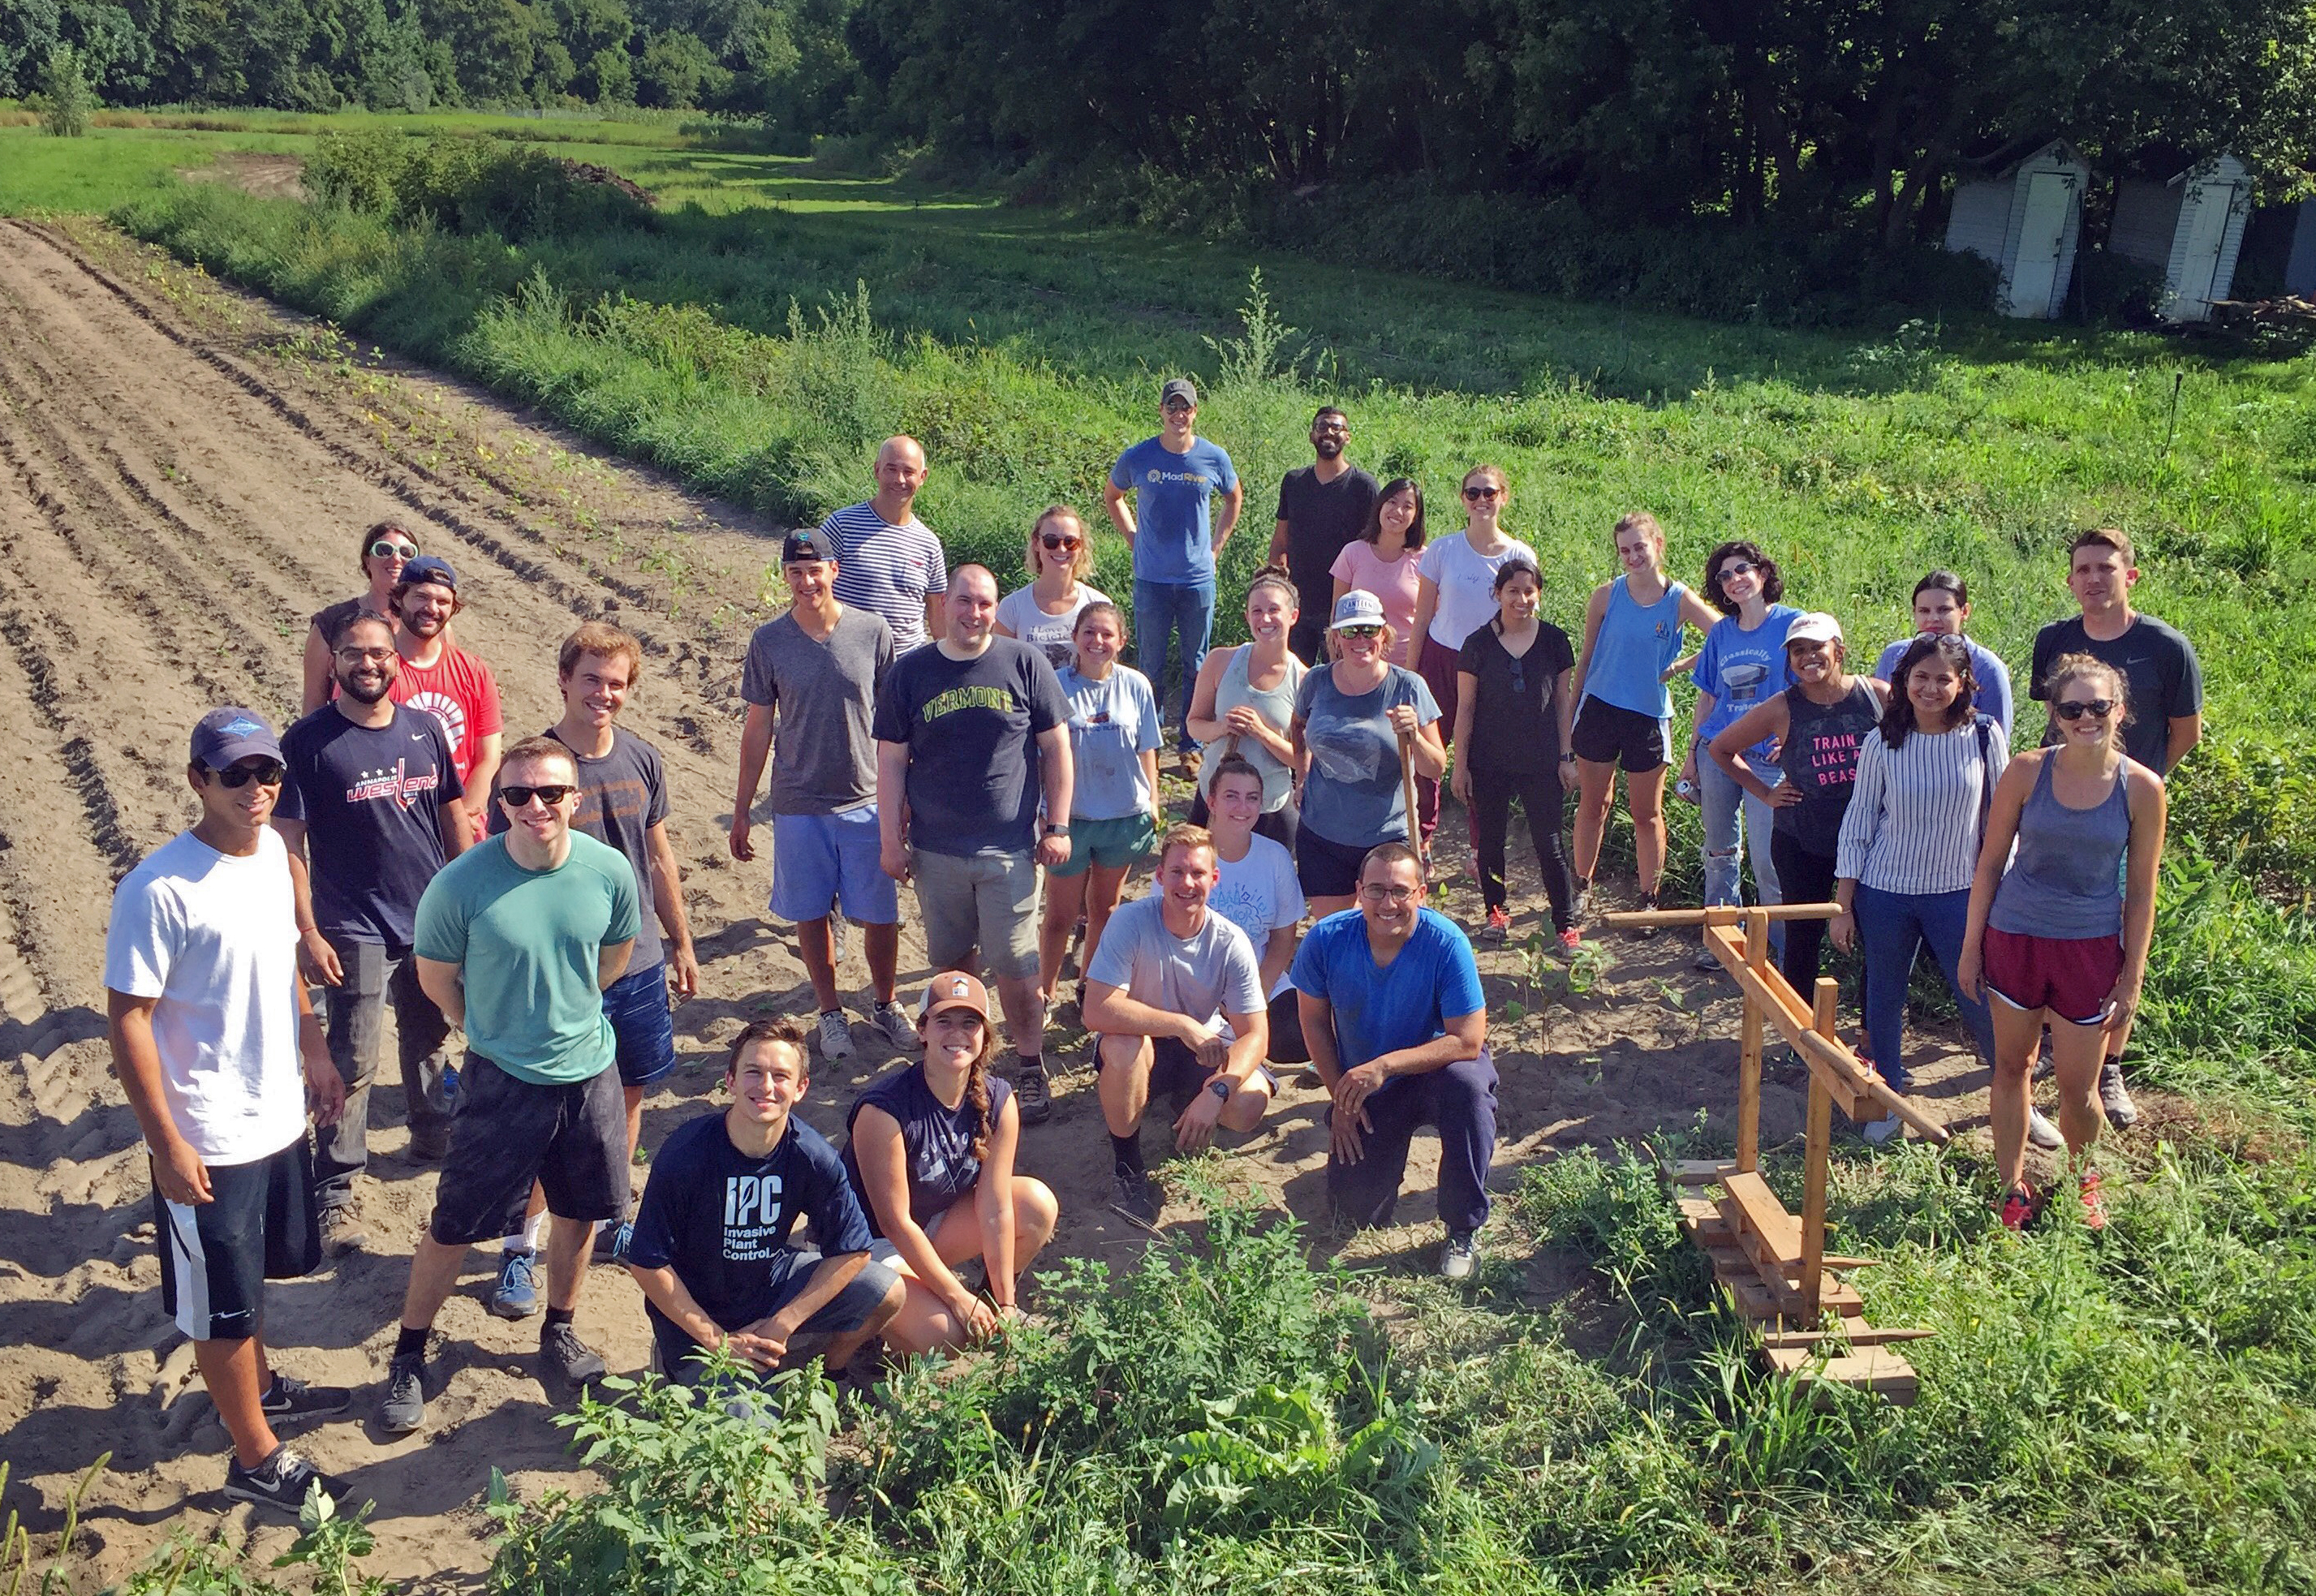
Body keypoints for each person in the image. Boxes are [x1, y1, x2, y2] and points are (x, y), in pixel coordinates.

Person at [105, 708, 351, 1514]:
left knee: (250, 1282)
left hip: (274, 1112)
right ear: (197, 781)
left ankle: (265, 1388)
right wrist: (165, 1140)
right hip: (205, 1134)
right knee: (222, 1302)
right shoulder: (159, 888)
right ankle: (256, 1455)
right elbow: (129, 1019)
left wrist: (313, 1049)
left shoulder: (275, 854)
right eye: (235, 773)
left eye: (267, 772)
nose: (256, 787)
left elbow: (284, 958)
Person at [380, 738, 640, 1433]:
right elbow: (436, 981)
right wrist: (488, 1030)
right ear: (498, 804)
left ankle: (558, 1327)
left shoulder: (608, 871)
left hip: (589, 1070)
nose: (535, 806)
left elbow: (612, 958)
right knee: (455, 1221)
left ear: (574, 800)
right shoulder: (460, 885)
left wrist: (565, 1014)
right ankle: (409, 1351)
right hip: (501, 1078)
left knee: (580, 1210)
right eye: (518, 794)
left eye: (550, 792)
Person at [484, 622, 702, 1296]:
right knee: (549, 1107)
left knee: (626, 1093)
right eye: (591, 680)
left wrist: (682, 941)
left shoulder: (641, 758)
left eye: (616, 683)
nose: (603, 694)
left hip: (635, 961)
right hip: (564, 971)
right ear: (564, 680)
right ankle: (521, 1245)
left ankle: (612, 1216)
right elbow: (504, 871)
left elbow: (659, 858)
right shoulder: (533, 773)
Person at [276, 612, 467, 1255]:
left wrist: (469, 899)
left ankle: (434, 1136)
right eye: (354, 653)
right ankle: (335, 1190)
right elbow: (291, 843)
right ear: (333, 662)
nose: (369, 663)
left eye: (379, 653)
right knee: (353, 1059)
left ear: (396, 660)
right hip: (350, 924)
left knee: (431, 1037)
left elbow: (450, 817)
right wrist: (305, 927)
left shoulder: (426, 729)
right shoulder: (308, 742)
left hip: (430, 918)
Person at [1961, 655, 2167, 1230]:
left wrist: (2132, 976)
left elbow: (2141, 894)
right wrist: (1971, 944)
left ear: (2119, 711)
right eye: (2071, 708)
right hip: (2016, 936)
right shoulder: (2027, 772)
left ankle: (2082, 1180)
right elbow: (1990, 862)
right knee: (2011, 1067)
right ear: (2054, 713)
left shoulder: (2142, 788)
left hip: (2090, 947)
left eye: (2098, 706)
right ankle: (2012, 1186)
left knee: (2079, 1089)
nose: (2085, 718)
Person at [875, 564, 1073, 1124]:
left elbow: (1057, 748)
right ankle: (963, 1066)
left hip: (1008, 848)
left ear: (996, 608)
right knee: (953, 967)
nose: (974, 613)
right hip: (935, 850)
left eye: (985, 603)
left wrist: (1056, 824)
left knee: (1015, 965)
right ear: (945, 606)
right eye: (964, 601)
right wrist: (890, 838)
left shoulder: (1024, 663)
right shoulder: (912, 672)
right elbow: (890, 761)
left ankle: (1030, 1062)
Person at [2026, 528, 2201, 1129]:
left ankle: (2110, 1065)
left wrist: (2132, 790)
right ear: (2070, 579)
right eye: (2083, 569)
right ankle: (2058, 1041)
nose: (2094, 578)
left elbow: (2186, 731)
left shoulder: (2166, 647)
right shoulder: (2054, 639)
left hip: (2123, 815)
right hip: (2054, 806)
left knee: (2121, 931)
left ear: (2131, 576)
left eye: (2106, 567)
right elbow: (2051, 722)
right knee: (2055, 920)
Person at [625, 1018, 903, 1388]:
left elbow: (854, 1251)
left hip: (768, 1287)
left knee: (886, 1290)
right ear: (731, 1081)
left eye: (781, 1076)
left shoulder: (811, 1155)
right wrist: (716, 1339)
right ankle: (675, 1364)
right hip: (697, 1309)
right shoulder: (686, 1154)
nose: (767, 1087)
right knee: (746, 1428)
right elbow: (646, 1262)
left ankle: (824, 1372)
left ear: (801, 1087)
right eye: (753, 1072)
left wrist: (783, 1322)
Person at [1833, 635, 2029, 1146]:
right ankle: (1887, 1099)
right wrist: (1844, 902)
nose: (1931, 688)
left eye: (1944, 678)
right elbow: (1859, 821)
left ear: (1964, 683)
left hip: (1958, 893)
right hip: (1885, 891)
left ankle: (2014, 1095)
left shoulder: (1985, 736)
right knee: (1883, 996)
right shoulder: (1882, 741)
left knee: (1977, 996)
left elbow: (2002, 820)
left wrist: (2004, 888)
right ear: (1904, 682)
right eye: (1920, 677)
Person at [733, 529, 910, 1065]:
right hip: (798, 800)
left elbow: (895, 724)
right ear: (785, 577)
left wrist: (903, 798)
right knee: (810, 912)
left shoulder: (872, 631)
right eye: (795, 572)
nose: (807, 581)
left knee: (880, 914)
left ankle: (884, 1002)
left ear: (834, 570)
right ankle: (830, 1011)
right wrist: (742, 809)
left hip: (866, 799)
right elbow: (758, 726)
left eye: (816, 570)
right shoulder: (770, 641)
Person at [1293, 842, 1493, 1280]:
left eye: (1401, 891)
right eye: (1377, 890)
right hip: (1369, 1085)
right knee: (1356, 1213)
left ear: (1421, 893)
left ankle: (1463, 1226)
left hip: (1434, 1069)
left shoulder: (1446, 943)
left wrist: (1386, 1065)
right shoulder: (1326, 940)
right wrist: (1341, 1099)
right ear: (1358, 891)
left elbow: (1467, 1040)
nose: (1388, 904)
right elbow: (1313, 1023)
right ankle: (1371, 1162)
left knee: (1469, 1089)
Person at [842, 973, 1057, 1355]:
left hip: (930, 1227)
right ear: (922, 1030)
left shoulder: (998, 1099)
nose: (957, 1033)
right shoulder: (884, 1110)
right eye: (944, 1021)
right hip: (867, 1244)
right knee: (948, 1335)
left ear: (984, 1037)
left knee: (1036, 1204)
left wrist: (1006, 1302)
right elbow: (894, 1223)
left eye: (969, 1023)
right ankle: (869, 1323)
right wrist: (956, 1296)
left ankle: (989, 1306)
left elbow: (994, 1206)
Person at [1083, 825, 1272, 1225]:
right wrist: (1182, 1024)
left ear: (1214, 879)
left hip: (1202, 1049)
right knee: (1122, 1048)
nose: (1187, 883)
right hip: (1142, 1041)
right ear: (1159, 876)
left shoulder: (1230, 940)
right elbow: (1096, 1010)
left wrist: (1219, 1090)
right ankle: (1128, 1164)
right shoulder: (1130, 921)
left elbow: (1256, 1033)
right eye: (1177, 872)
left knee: (1250, 1100)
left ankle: (1191, 1105)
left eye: (1198, 874)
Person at [1705, 613, 1883, 1000]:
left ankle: (1870, 1041)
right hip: (1803, 840)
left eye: (1816, 648)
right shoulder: (1782, 707)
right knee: (1802, 941)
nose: (1808, 658)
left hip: (1872, 843)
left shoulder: (1875, 696)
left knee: (1880, 943)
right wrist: (1766, 794)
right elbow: (1720, 748)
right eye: (1798, 651)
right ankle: (1797, 1037)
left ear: (1839, 650)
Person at [1569, 512, 1720, 924]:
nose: (1633, 556)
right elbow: (1585, 661)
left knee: (1646, 813)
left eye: (1640, 546)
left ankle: (1648, 900)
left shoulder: (1679, 599)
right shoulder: (1606, 596)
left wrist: (1682, 664)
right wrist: (1567, 724)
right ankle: (1581, 887)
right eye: (1624, 550)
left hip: (1648, 716)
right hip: (1599, 709)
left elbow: (1725, 637)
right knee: (1593, 803)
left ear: (1658, 544)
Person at [1102, 377, 1243, 755]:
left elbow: (1233, 498)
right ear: (1161, 411)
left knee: (1196, 663)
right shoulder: (1140, 456)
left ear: (1195, 412)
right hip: (1152, 578)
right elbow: (1112, 495)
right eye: (1172, 407)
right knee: (1151, 663)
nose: (1179, 414)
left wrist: (1216, 547)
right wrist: (1133, 539)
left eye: (1186, 408)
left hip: (1198, 578)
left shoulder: (1213, 457)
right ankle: (1147, 743)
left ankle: (1191, 745)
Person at [1679, 540, 1801, 966]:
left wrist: (1793, 743)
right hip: (1719, 754)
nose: (1734, 580)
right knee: (1719, 850)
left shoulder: (1792, 625)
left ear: (1763, 573)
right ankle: (1723, 939)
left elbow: (1805, 691)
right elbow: (1709, 699)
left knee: (1770, 860)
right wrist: (1693, 754)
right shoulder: (1720, 633)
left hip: (1768, 760)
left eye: (1742, 569)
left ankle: (1783, 952)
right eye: (1724, 576)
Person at [1036, 602, 1162, 1009]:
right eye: (1089, 632)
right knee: (1059, 915)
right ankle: (1045, 993)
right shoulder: (1054, 684)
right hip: (1071, 819)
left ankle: (1090, 988)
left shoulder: (1136, 685)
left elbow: (1148, 749)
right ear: (1075, 637)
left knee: (1104, 909)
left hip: (1123, 815)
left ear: (1121, 641)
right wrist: (1047, 812)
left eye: (1107, 634)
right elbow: (1042, 753)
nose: (1098, 641)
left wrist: (1154, 802)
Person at [1291, 592, 1446, 918]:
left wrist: (1414, 735)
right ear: (1336, 637)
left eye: (1368, 630)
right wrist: (1301, 776)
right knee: (1336, 931)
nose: (1359, 639)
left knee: (1388, 929)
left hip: (1387, 839)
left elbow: (1435, 767)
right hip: (1322, 834)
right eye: (1349, 631)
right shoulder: (1316, 682)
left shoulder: (1409, 686)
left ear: (1384, 634)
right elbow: (1298, 726)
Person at [1451, 557, 1578, 947]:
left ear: (1538, 593)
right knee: (1490, 841)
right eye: (1513, 591)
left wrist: (1567, 757)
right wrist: (1460, 766)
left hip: (1541, 760)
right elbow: (1466, 708)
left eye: (1529, 591)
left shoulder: (1555, 641)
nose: (1521, 599)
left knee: (1550, 844)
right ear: (1497, 593)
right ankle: (1496, 912)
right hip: (1489, 760)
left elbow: (1562, 702)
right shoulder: (1476, 645)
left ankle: (1566, 925)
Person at [1410, 467, 1538, 841]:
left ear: (1504, 497)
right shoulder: (1443, 549)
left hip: (1491, 667)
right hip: (1441, 657)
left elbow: (1526, 617)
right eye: (1473, 493)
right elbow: (1421, 617)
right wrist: (1410, 673)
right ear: (1462, 499)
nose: (1482, 500)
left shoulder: (1519, 554)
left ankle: (1482, 851)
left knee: (1482, 761)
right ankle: (1422, 840)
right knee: (1427, 756)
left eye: (1490, 493)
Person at [1200, 755, 1311, 1066]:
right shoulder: (1192, 856)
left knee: (1296, 1039)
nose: (1242, 807)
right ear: (1211, 802)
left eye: (1252, 798)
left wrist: (1253, 995)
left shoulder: (1275, 856)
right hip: (1197, 984)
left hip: (1258, 978)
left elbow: (1282, 940)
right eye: (1231, 796)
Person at [1184, 568, 1305, 849]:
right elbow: (1194, 724)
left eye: (1274, 610)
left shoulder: (1304, 679)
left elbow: (1302, 761)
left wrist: (1262, 733)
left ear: (1293, 617)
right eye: (1257, 610)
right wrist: (1223, 727)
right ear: (1247, 616)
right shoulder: (1220, 661)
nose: (1265, 619)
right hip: (1215, 797)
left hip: (1269, 806)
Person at [388, 556, 502, 840]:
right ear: (400, 599)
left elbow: (488, 758)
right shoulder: (376, 672)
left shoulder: (473, 671)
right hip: (400, 830)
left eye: (443, 602)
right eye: (421, 597)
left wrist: (460, 820)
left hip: (469, 828)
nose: (432, 608)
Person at [1267, 407, 1379, 663]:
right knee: (1292, 681)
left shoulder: (1364, 487)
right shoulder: (1294, 482)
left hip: (1343, 608)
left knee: (1341, 683)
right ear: (1311, 436)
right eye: (1322, 427)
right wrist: (1275, 590)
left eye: (1336, 427)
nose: (1328, 432)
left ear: (1347, 437)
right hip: (1297, 605)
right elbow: (1280, 541)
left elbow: (1374, 548)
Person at [820, 436, 948, 654]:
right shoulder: (841, 526)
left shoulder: (929, 545)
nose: (899, 480)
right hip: (846, 662)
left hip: (905, 672)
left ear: (922, 477)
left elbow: (938, 618)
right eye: (891, 469)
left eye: (908, 472)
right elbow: (810, 595)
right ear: (877, 470)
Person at [1871, 571, 2013, 738]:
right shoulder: (1894, 656)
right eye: (1924, 610)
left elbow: (1997, 739)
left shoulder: (1987, 667)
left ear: (1964, 611)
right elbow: (1881, 718)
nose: (1933, 618)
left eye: (1943, 610)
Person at [301, 520, 414, 714]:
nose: (396, 559)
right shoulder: (330, 623)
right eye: (384, 550)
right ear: (367, 560)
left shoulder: (428, 622)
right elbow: (313, 705)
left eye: (406, 552)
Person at [994, 505, 1111, 670]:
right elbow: (1001, 669)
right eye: (1051, 541)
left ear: (1081, 546)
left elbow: (1108, 671)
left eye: (1070, 542)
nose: (1061, 549)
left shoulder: (1098, 605)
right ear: (1036, 543)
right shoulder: (1012, 607)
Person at [1328, 477, 1425, 667]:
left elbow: (1431, 620)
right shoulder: (1352, 553)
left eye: (1407, 506)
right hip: (1358, 664)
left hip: (1406, 668)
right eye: (1392, 502)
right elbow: (1336, 615)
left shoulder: (1425, 560)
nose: (1398, 511)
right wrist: (1335, 665)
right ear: (1380, 505)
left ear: (1416, 516)